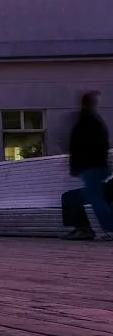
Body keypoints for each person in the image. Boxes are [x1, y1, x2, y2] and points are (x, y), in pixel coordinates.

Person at [67, 91, 112, 240]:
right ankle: (84, 229)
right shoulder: (91, 120)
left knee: (95, 198)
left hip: (91, 166)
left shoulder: (88, 121)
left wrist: (76, 164)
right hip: (93, 165)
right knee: (77, 197)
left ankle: (109, 229)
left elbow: (80, 144)